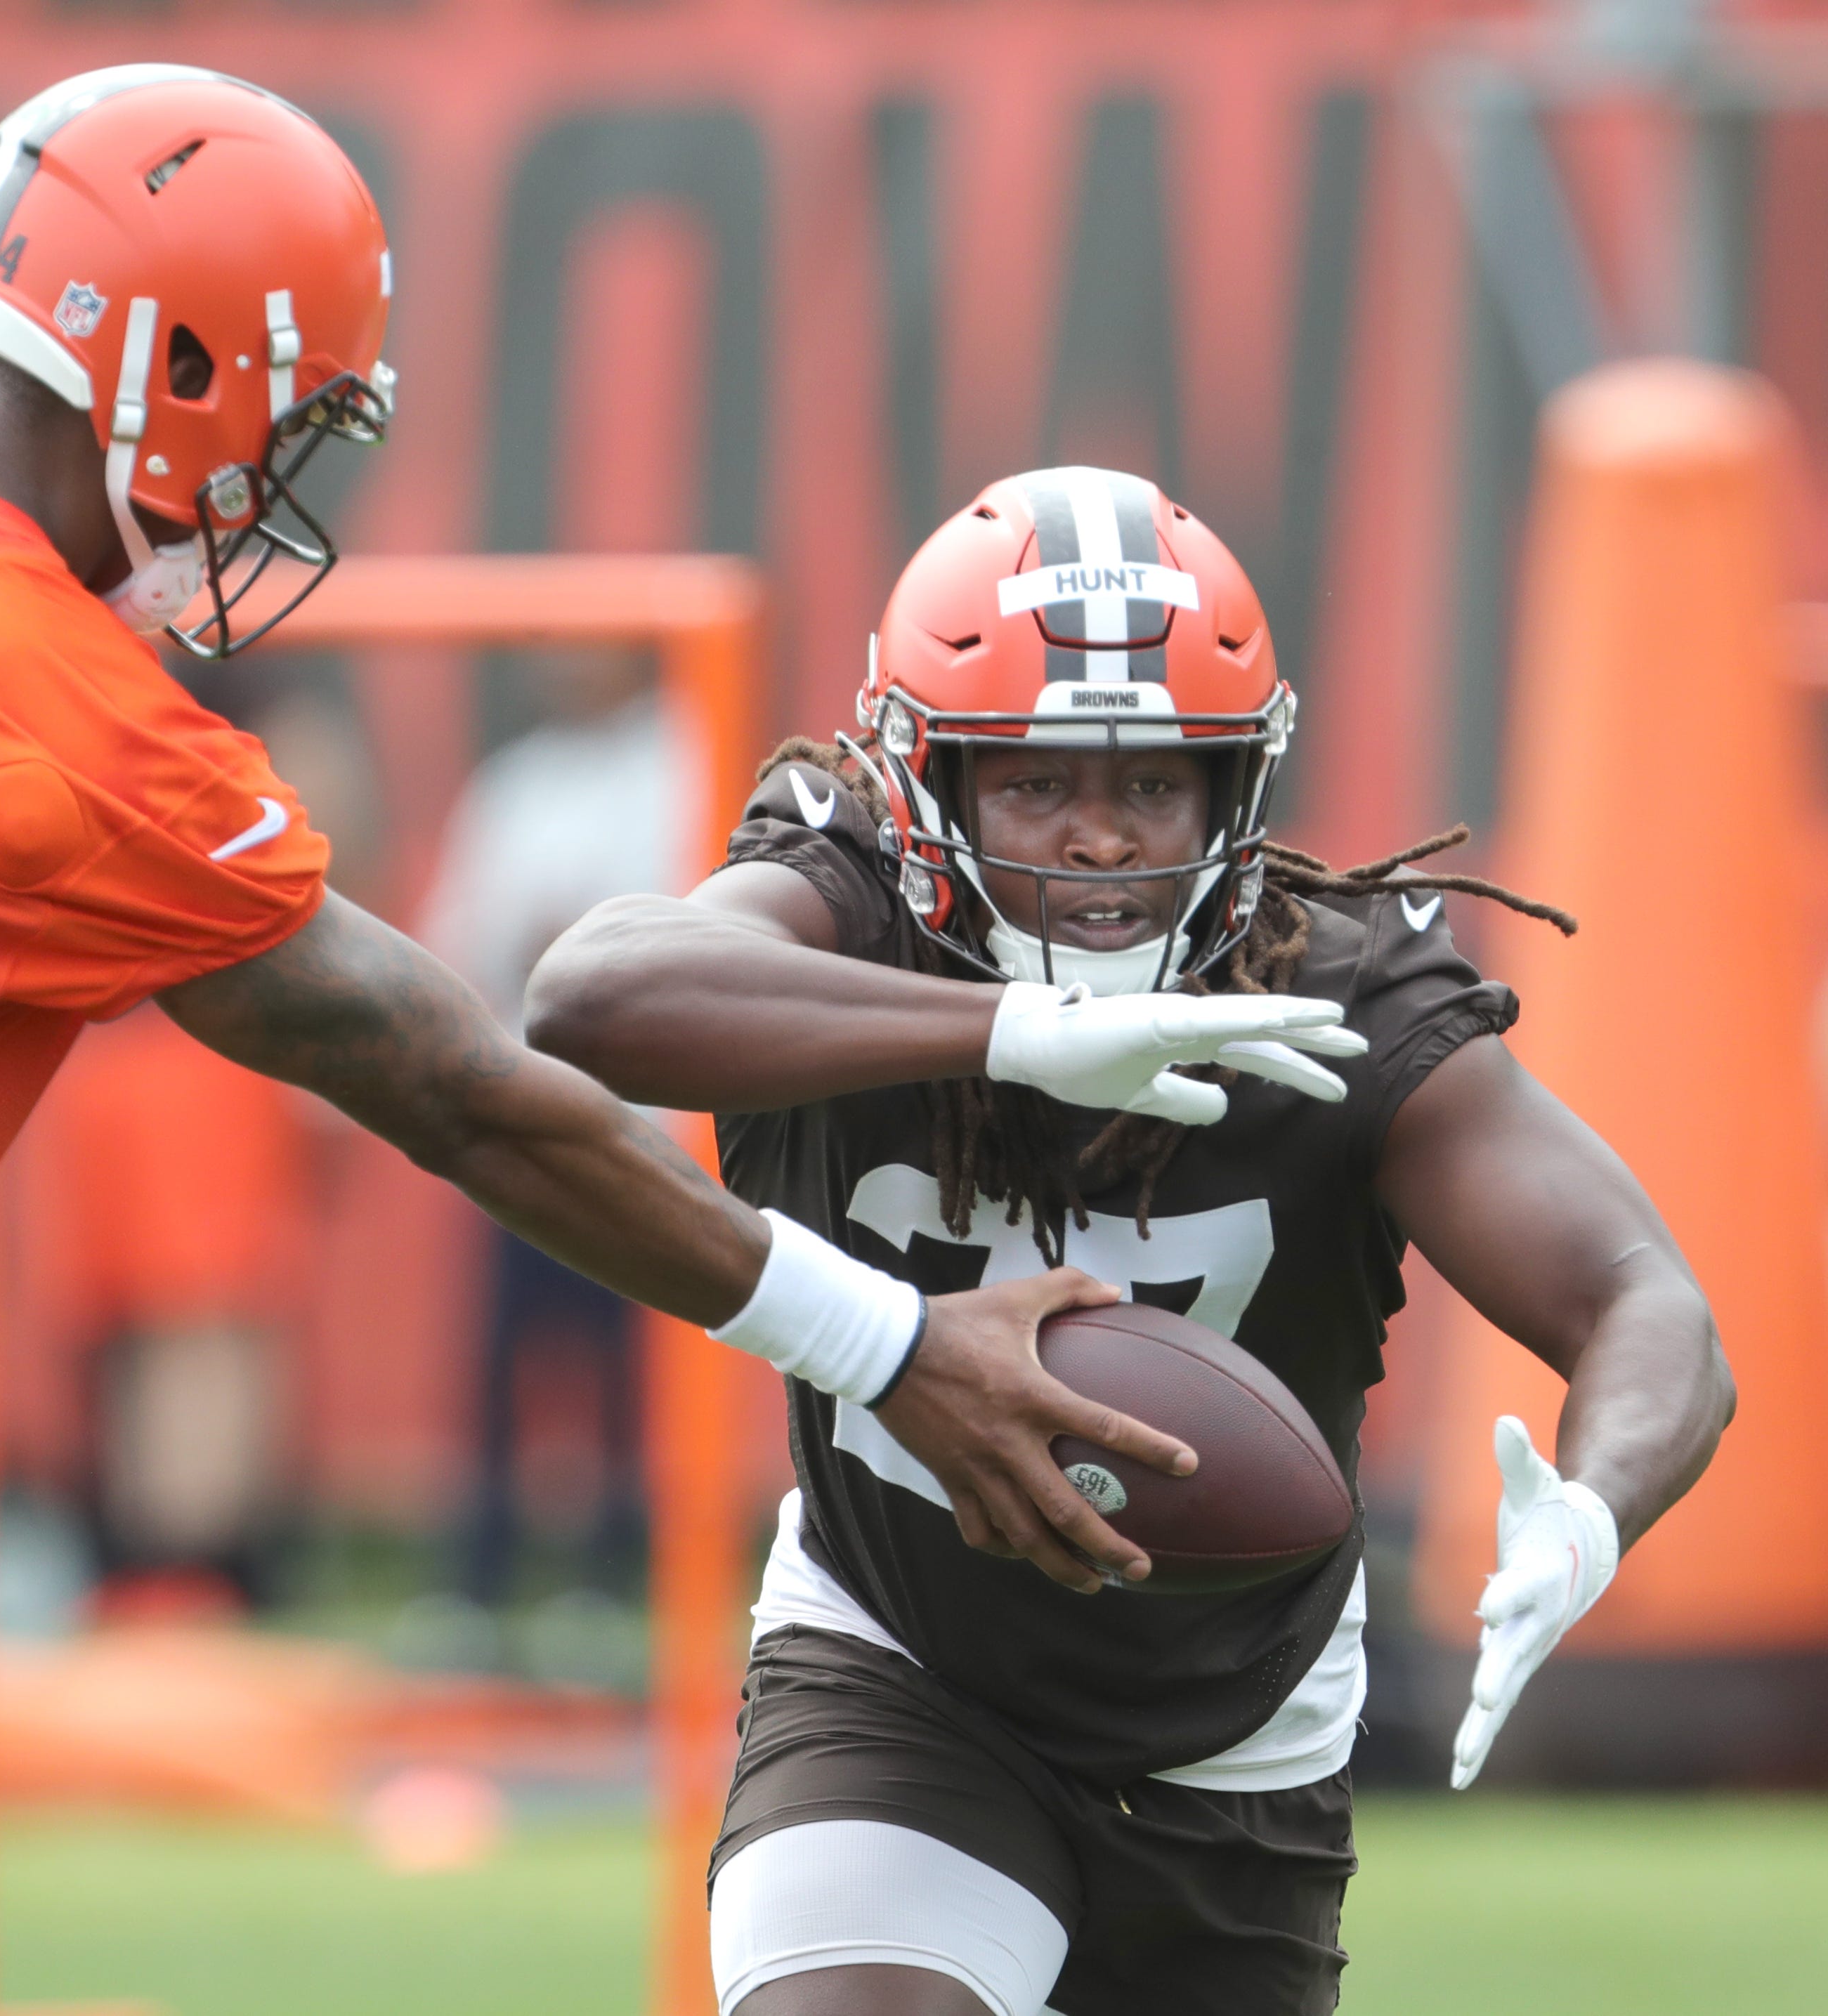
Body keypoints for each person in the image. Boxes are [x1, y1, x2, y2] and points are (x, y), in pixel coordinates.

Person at [0, 77, 1351, 2016]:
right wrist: (892, 1345)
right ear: (182, 370)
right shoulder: (63, 724)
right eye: (288, 418)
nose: (277, 484)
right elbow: (471, 1098)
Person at [524, 464, 1732, 2016]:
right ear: (926, 787)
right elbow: (591, 997)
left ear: (1233, 794)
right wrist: (1007, 1031)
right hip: (902, 1662)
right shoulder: (846, 897)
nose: (1098, 840)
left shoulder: (1338, 995)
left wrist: (1591, 1511)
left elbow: (1642, 1299)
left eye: (1151, 783)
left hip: (1236, 1732)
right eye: (1036, 784)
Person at [417, 644, 697, 1608]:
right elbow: (457, 934)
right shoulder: (517, 781)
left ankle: (619, 1575)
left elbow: (692, 921)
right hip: (518, 1101)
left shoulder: (683, 766)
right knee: (505, 1354)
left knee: (624, 1354)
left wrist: (577, 942)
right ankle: (483, 1577)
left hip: (635, 1112)